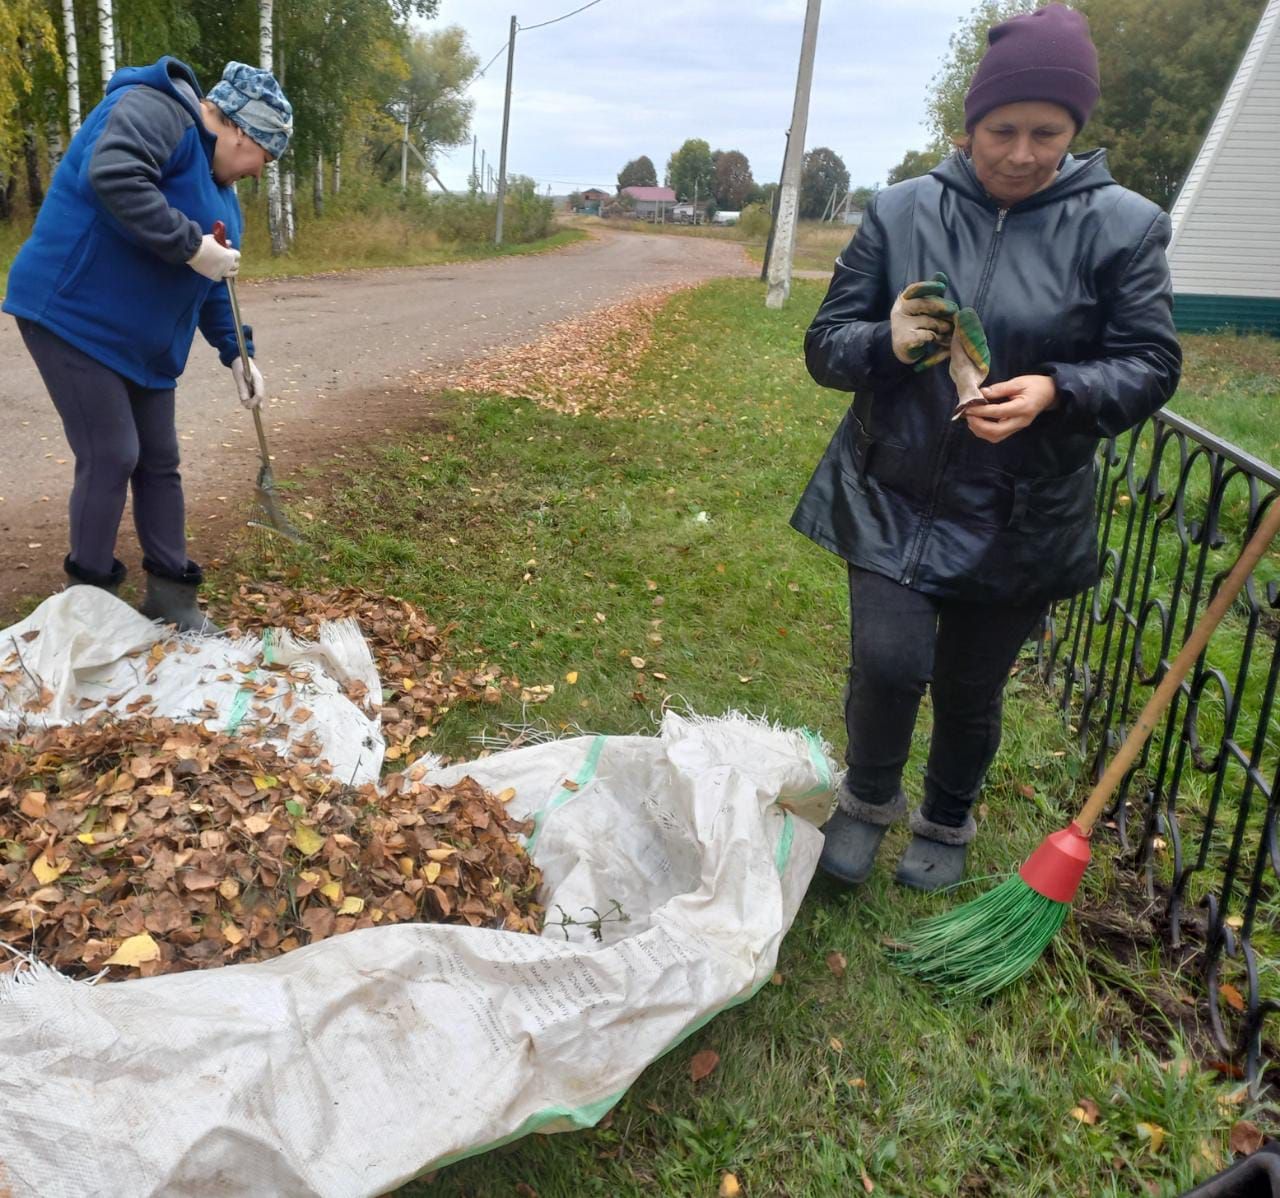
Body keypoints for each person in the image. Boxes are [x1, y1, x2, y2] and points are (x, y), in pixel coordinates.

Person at [791, 4, 1181, 890]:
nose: (1021, 151)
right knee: (888, 665)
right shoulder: (900, 212)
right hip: (893, 489)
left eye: (1048, 132)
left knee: (971, 686)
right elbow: (826, 346)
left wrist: (1058, 390)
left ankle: (947, 817)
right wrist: (885, 343)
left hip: (1022, 511)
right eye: (1002, 129)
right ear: (967, 126)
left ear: (1076, 130)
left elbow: (1152, 364)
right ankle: (867, 801)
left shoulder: (1124, 227)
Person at [3, 58, 292, 632]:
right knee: (112, 453)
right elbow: (113, 175)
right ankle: (87, 607)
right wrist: (190, 244)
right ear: (239, 130)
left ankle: (171, 598)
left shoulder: (222, 194)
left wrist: (238, 352)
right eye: (267, 154)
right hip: (70, 314)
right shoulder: (155, 109)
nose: (262, 171)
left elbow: (214, 280)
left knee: (160, 462)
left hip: (142, 344)